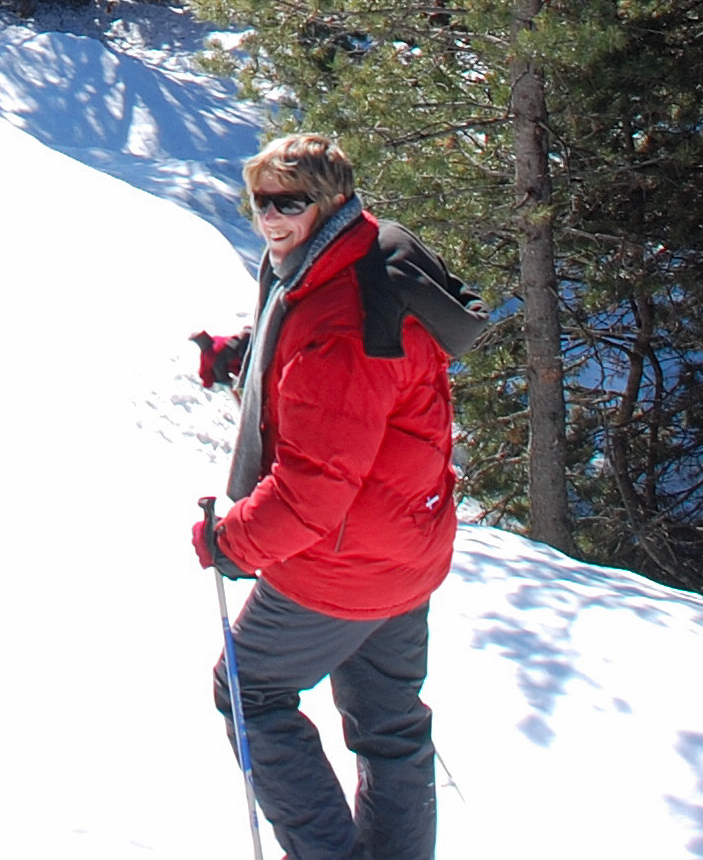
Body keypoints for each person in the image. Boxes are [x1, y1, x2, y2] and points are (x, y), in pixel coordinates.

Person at [188, 133, 459, 860]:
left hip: (343, 565)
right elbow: (347, 392)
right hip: (406, 549)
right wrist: (249, 355)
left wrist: (231, 542)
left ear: (331, 202)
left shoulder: (339, 322)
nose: (271, 217)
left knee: (249, 692)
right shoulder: (363, 264)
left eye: (290, 202)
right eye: (260, 201)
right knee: (390, 724)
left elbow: (313, 491)